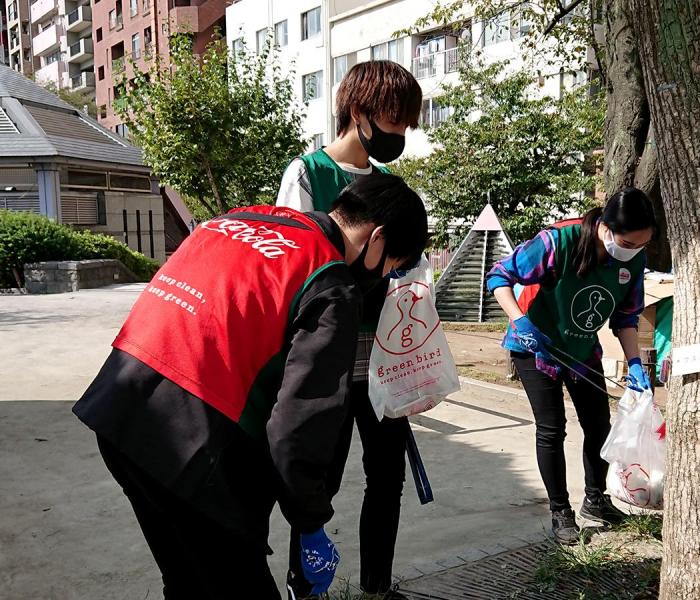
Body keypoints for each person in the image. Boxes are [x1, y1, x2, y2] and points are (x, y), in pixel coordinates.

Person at [72, 173, 428, 600]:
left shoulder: (242, 219)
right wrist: (311, 523)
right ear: (378, 238)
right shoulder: (331, 282)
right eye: (394, 265)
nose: (387, 277)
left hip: (118, 408)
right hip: (190, 446)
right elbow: (298, 428)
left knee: (188, 579)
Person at [277, 60, 423, 599]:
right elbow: (293, 270)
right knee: (322, 478)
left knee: (387, 477)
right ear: (358, 112)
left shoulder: (388, 187)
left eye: (406, 123)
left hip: (383, 359)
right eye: (393, 119)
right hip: (328, 359)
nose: (400, 134)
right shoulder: (308, 174)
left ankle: (377, 588)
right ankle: (304, 587)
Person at [486, 187, 658, 545]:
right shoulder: (558, 241)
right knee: (552, 429)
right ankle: (560, 511)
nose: (632, 251)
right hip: (535, 346)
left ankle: (596, 500)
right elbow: (500, 276)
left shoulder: (634, 260)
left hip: (581, 349)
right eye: (627, 242)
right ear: (606, 229)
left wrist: (636, 364)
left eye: (641, 245)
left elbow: (626, 317)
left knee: (599, 425)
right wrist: (519, 320)